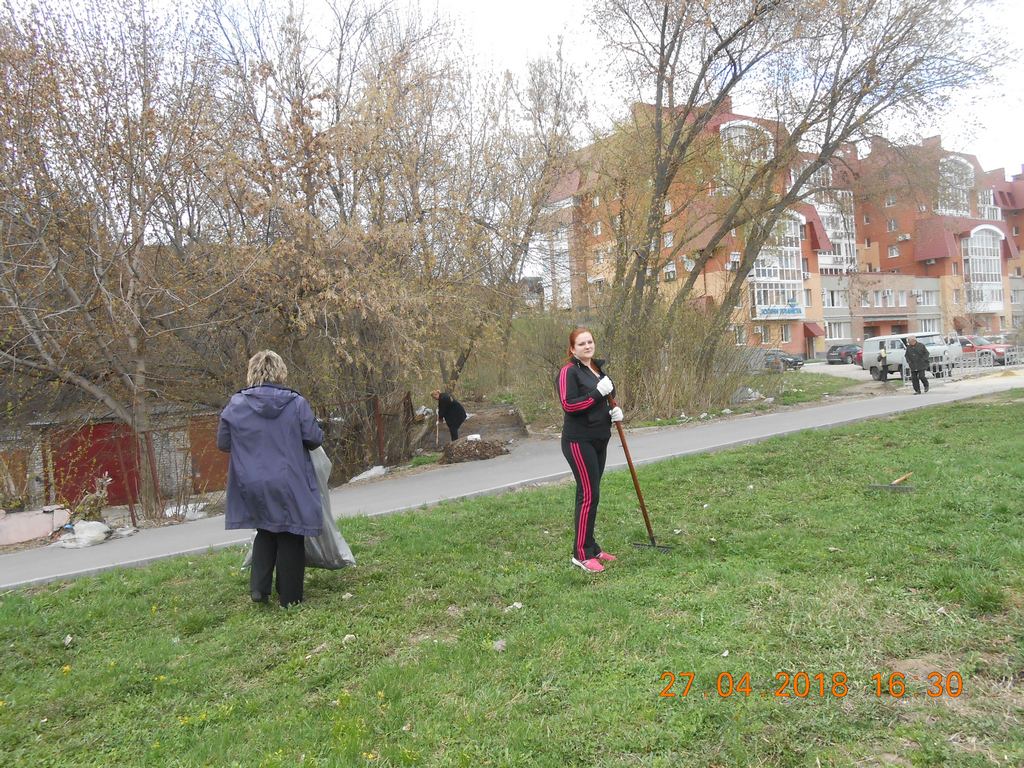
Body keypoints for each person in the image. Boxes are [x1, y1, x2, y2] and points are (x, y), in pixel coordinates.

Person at [217, 350, 324, 607]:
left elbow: (223, 443)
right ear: (280, 372)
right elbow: (313, 438)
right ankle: (290, 597)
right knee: (290, 533)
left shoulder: (235, 404)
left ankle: (259, 588)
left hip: (250, 481)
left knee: (265, 529)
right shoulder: (295, 403)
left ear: (252, 372)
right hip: (289, 478)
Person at [556, 327, 624, 574]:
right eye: (581, 343)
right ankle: (581, 555)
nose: (587, 346)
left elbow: (606, 399)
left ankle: (591, 546)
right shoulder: (568, 372)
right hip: (578, 441)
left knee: (591, 494)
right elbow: (569, 405)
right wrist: (598, 393)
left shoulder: (597, 370)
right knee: (588, 494)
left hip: (599, 439)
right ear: (572, 349)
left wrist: (613, 412)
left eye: (590, 342)